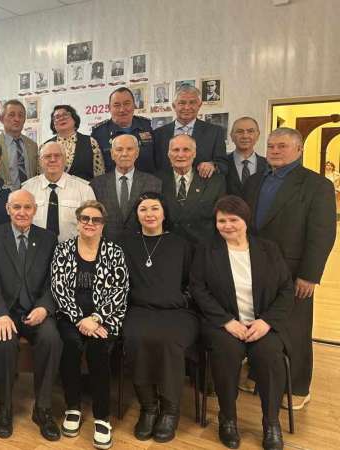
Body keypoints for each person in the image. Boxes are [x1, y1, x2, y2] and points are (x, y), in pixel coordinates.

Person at [243, 127, 336, 410]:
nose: (275, 151)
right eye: (271, 146)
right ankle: (260, 375)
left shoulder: (316, 185)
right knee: (261, 321)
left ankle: (297, 386)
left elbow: (322, 233)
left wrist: (310, 274)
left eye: (282, 146)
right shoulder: (255, 181)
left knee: (295, 328)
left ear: (299, 149)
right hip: (257, 266)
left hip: (294, 271)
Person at [190, 196, 293, 450]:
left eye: (233, 220)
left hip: (262, 323)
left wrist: (266, 322)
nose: (227, 225)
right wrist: (226, 321)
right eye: (221, 221)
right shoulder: (206, 250)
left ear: (245, 221)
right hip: (224, 324)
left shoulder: (269, 249)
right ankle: (227, 418)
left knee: (269, 355)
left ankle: (271, 422)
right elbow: (198, 289)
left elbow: (286, 290)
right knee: (226, 352)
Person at [0, 190, 62, 441]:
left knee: (52, 339)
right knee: (4, 342)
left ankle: (43, 409)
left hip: (37, 310)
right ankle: (5, 408)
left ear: (35, 209)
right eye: (16, 207)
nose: (22, 212)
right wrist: (0, 315)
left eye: (27, 207)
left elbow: (54, 280)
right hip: (7, 312)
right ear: (8, 209)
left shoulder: (49, 238)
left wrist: (45, 307)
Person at [120, 192, 198, 444]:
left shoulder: (181, 244)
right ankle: (149, 407)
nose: (149, 214)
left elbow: (193, 282)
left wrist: (180, 299)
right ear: (137, 215)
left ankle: (170, 411)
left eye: (155, 208)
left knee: (169, 341)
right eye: (143, 209)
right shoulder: (125, 244)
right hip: (139, 309)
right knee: (137, 338)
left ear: (164, 213)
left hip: (177, 312)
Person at [51, 200, 129, 449]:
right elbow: (59, 289)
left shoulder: (114, 252)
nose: (90, 223)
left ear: (103, 224)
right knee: (70, 346)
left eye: (96, 219)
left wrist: (95, 318)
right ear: (78, 222)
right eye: (85, 218)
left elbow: (120, 291)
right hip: (70, 316)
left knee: (98, 350)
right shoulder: (63, 249)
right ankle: (72, 407)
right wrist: (79, 318)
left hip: (104, 318)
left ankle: (102, 417)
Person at [90, 134, 161, 241]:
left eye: (129, 149)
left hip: (143, 244)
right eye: (119, 149)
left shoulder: (153, 183)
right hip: (107, 246)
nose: (124, 154)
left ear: (137, 153)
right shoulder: (96, 184)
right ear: (112, 154)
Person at [23, 141, 96, 243]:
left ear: (65, 160)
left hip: (73, 249)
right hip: (36, 249)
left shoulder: (84, 189)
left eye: (57, 156)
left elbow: (93, 226)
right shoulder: (27, 189)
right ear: (40, 161)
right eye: (47, 156)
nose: (52, 159)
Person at [159, 134, 226, 245]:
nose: (180, 155)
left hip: (203, 248)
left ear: (194, 154)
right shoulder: (156, 180)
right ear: (168, 154)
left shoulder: (215, 181)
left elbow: (221, 217)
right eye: (176, 150)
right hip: (167, 246)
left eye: (186, 150)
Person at [153, 85, 228, 177]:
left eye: (192, 102)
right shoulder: (158, 134)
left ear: (199, 105)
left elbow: (223, 165)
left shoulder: (215, 132)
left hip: (202, 185)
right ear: (174, 106)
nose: (187, 107)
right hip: (165, 185)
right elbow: (153, 166)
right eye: (182, 103)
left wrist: (213, 165)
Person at [92, 87, 155, 173]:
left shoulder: (146, 126)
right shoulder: (99, 133)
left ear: (134, 105)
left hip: (146, 180)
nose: (122, 110)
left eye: (126, 104)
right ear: (109, 108)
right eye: (117, 105)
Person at [45, 104, 104, 181]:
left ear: (74, 119)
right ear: (53, 124)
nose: (61, 118)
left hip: (84, 188)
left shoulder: (91, 142)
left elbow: (100, 175)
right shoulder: (46, 146)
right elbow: (41, 176)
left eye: (65, 115)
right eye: (57, 117)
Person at [0, 100, 39, 189]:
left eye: (21, 116)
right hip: (4, 195)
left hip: (30, 194)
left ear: (24, 120)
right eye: (11, 115)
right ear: (2, 119)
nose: (17, 119)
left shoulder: (32, 145)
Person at [224, 117, 267, 196]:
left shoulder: (268, 165)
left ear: (257, 135)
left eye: (250, 131)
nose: (245, 136)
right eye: (239, 131)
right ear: (231, 136)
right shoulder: (222, 163)